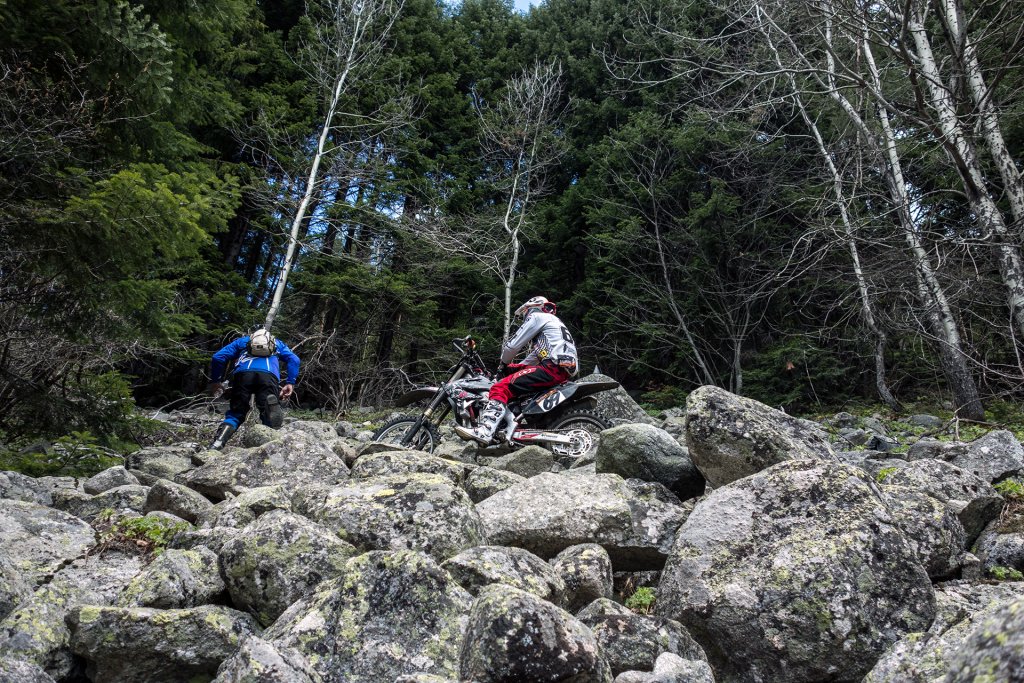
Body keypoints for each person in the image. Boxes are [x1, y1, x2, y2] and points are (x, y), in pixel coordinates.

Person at [455, 296, 578, 445]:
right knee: (513, 376)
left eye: (525, 312)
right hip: (560, 368)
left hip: (553, 367)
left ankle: (485, 431)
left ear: (532, 308)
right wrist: (509, 369)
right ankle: (511, 423)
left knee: (499, 388)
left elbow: (512, 346)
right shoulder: (554, 325)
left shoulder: (538, 316)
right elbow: (531, 360)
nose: (525, 317)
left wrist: (503, 364)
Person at [207, 328, 300, 449]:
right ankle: (270, 445)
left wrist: (216, 380)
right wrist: (290, 382)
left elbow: (218, 357)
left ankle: (218, 443)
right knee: (267, 411)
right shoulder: (277, 343)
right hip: (268, 375)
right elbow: (294, 359)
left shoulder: (242, 341)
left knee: (236, 413)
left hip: (243, 375)